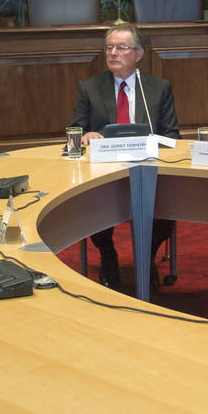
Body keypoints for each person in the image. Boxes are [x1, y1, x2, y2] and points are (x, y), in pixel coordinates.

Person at [70, 24, 179, 290]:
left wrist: (153, 141)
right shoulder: (90, 88)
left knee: (168, 205)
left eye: (121, 47)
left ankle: (147, 257)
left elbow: (172, 135)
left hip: (147, 168)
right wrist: (86, 136)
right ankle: (108, 254)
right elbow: (74, 133)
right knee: (91, 203)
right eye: (109, 47)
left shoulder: (158, 88)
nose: (113, 53)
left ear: (139, 54)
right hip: (104, 173)